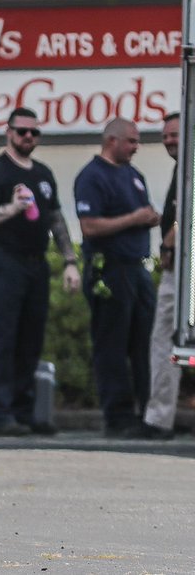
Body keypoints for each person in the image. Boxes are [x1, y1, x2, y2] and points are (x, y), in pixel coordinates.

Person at [0, 107, 81, 437]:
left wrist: (70, 261)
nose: (29, 137)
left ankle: (23, 410)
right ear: (9, 133)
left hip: (37, 263)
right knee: (2, 336)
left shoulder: (43, 174)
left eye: (35, 133)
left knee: (30, 338)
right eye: (22, 132)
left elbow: (56, 220)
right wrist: (13, 208)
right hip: (4, 261)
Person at [74, 117, 160, 437]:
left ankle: (147, 414)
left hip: (137, 267)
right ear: (112, 140)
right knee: (112, 343)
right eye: (132, 141)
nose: (136, 147)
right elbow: (90, 226)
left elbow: (142, 212)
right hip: (107, 268)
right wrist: (135, 218)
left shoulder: (133, 175)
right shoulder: (92, 176)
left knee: (144, 342)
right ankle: (117, 417)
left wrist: (151, 219)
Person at [141, 112, 182, 440]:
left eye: (175, 135)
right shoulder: (182, 167)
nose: (169, 141)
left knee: (163, 339)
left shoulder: (190, 165)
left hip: (183, 269)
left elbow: (187, 214)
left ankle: (158, 420)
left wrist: (168, 245)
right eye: (166, 136)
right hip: (182, 268)